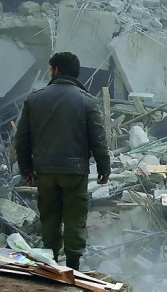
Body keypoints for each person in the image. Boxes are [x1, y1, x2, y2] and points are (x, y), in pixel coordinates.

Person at [15, 52, 110, 271]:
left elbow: (22, 140)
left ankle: (51, 264)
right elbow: (98, 139)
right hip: (75, 172)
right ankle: (73, 268)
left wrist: (26, 168)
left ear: (56, 70)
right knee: (75, 218)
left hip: (45, 171)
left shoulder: (34, 99)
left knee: (50, 217)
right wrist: (104, 168)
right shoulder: (87, 101)